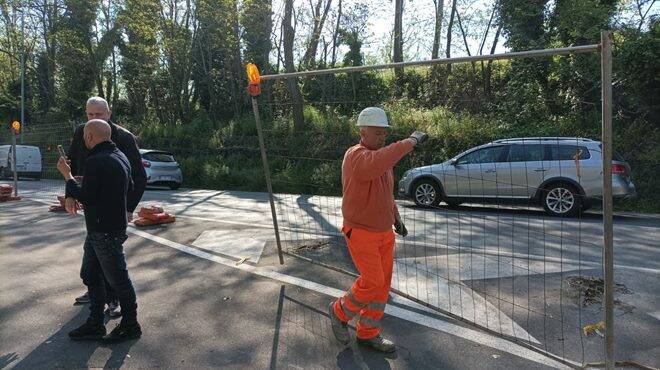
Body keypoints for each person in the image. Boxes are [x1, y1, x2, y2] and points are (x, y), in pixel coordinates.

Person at [328, 107, 427, 353]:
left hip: (384, 233)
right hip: (361, 231)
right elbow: (378, 162)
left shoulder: (380, 159)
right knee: (372, 281)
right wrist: (410, 142)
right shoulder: (356, 156)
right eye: (378, 132)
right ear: (363, 131)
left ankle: (368, 332)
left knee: (382, 286)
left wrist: (396, 218)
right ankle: (339, 311)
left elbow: (385, 194)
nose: (382, 137)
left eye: (384, 133)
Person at [57, 119, 142, 343]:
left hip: (103, 231)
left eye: (84, 136)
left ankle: (131, 325)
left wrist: (67, 175)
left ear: (90, 137)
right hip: (105, 228)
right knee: (90, 274)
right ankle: (95, 322)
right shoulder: (120, 156)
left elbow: (86, 196)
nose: (83, 140)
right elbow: (129, 186)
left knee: (119, 280)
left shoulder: (95, 160)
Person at [68, 97, 147, 318]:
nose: (93, 119)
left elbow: (139, 177)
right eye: (90, 115)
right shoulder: (81, 132)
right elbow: (72, 163)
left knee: (110, 258)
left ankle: (114, 300)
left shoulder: (123, 138)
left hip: (113, 211)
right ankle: (97, 293)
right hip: (92, 205)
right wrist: (70, 194)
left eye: (99, 114)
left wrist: (129, 207)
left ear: (109, 114)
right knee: (93, 254)